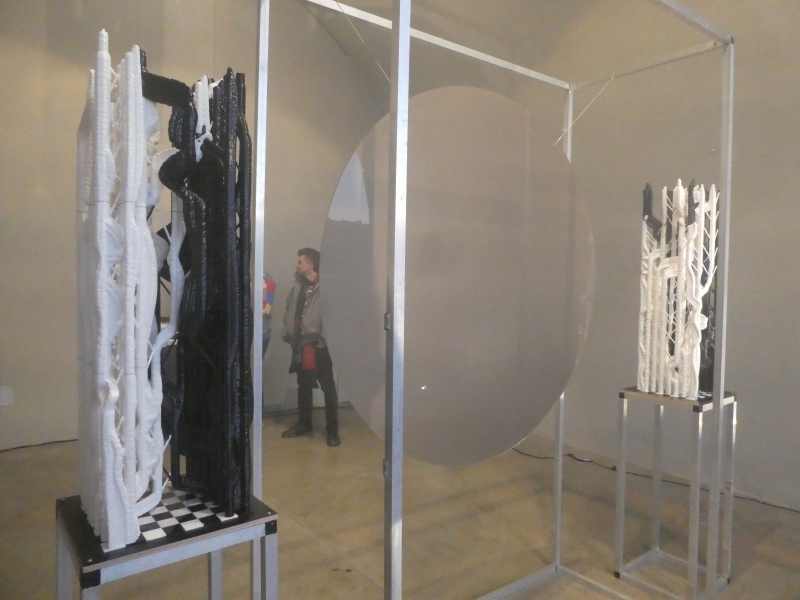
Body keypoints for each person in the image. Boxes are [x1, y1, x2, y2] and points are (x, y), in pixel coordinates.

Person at [280, 248, 340, 446]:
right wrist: (288, 331)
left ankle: (333, 432)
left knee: (327, 387)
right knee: (303, 384)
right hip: (300, 344)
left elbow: (333, 316)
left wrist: (322, 340)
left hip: (318, 346)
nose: (296, 264)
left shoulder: (326, 288)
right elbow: (290, 308)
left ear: (310, 265)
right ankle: (304, 424)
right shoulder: (298, 286)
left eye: (300, 261)